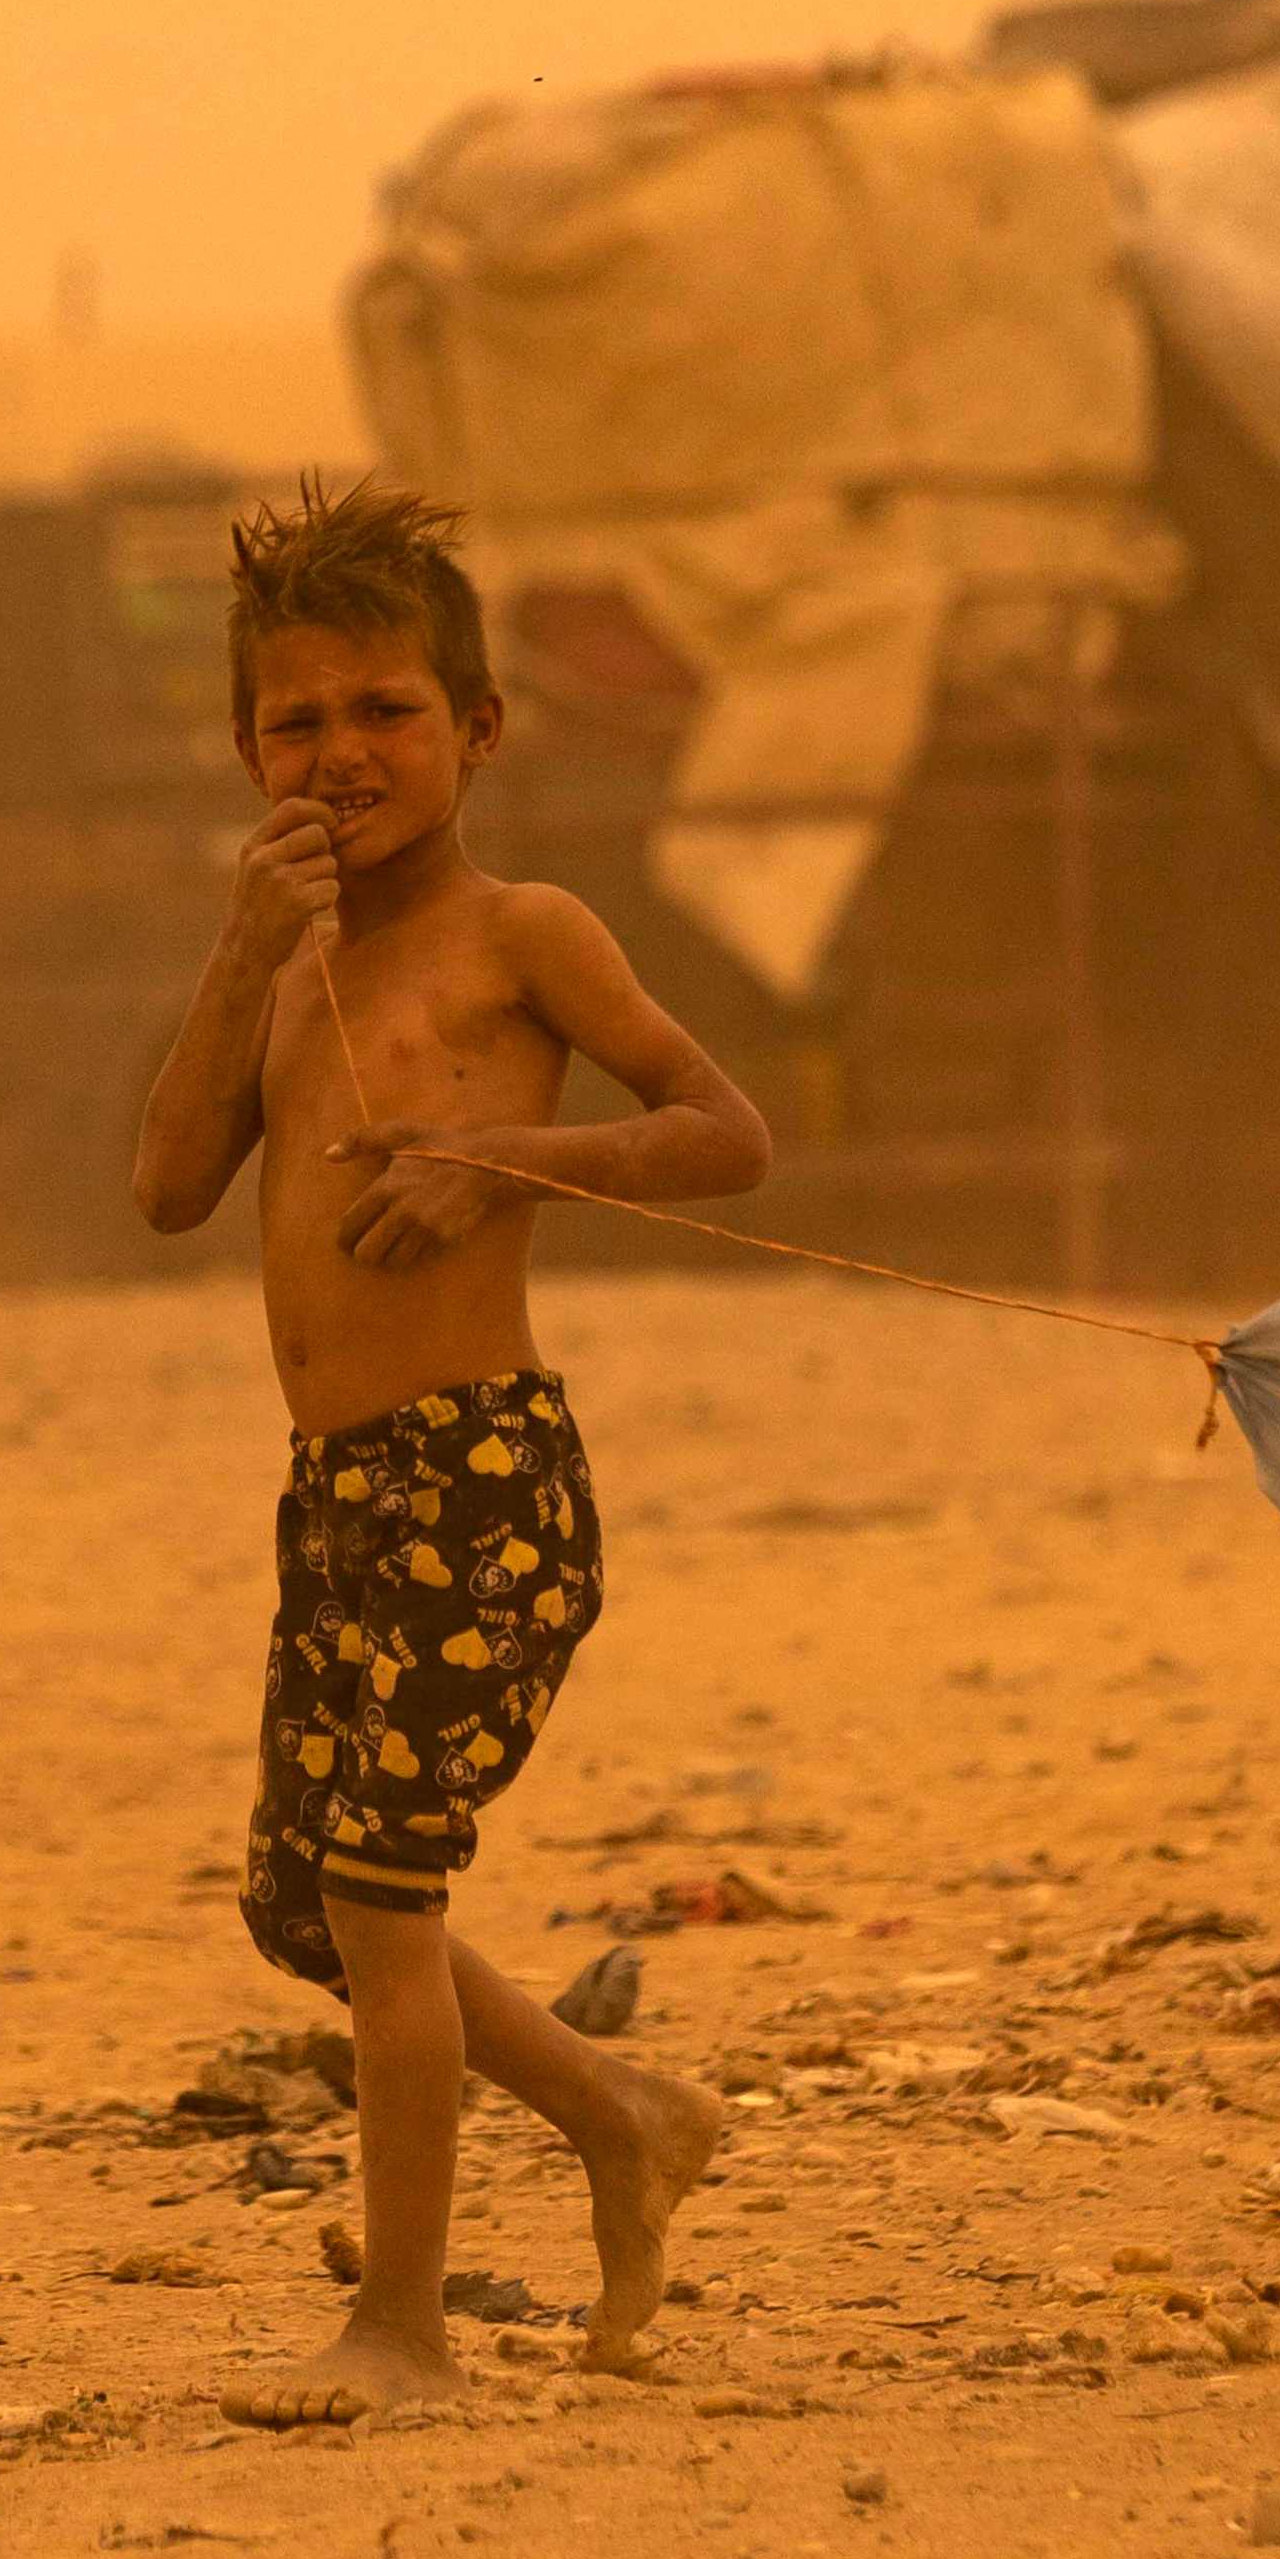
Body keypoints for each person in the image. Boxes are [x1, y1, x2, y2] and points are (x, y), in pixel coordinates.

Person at [128, 474, 766, 2425]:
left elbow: (723, 1131)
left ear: (475, 730)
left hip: (478, 1484)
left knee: (385, 1913)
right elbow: (165, 1187)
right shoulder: (287, 968)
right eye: (299, 722)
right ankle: (619, 2112)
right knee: (306, 1910)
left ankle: (399, 2331)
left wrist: (507, 1156)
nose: (345, 756)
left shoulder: (523, 936)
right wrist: (240, 954)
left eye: (387, 712)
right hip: (336, 1497)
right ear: (248, 751)